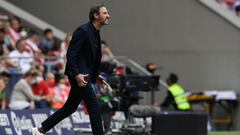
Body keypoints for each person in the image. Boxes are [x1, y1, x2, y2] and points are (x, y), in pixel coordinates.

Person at [32, 5, 110, 135]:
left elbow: (93, 58)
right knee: (94, 106)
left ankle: (40, 129)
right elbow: (71, 54)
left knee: (69, 108)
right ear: (96, 15)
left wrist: (96, 75)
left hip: (85, 75)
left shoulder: (96, 32)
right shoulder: (83, 31)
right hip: (79, 75)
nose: (108, 15)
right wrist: (76, 74)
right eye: (105, 13)